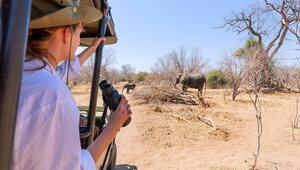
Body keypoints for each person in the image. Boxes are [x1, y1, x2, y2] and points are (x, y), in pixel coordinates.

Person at [12, 0, 132, 170]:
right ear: (66, 33)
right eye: (79, 30)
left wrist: (91, 49)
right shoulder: (53, 95)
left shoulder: (20, 73)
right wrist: (113, 126)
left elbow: (62, 72)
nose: (80, 34)